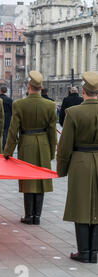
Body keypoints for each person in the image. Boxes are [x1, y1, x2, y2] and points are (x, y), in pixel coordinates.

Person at [3, 71, 57, 225]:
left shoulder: (19, 104)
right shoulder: (50, 105)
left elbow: (13, 131)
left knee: (28, 179)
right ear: (41, 87)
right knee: (40, 180)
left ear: (28, 86)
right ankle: (37, 216)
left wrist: (7, 152)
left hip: (26, 143)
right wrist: (51, 152)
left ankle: (28, 216)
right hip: (44, 144)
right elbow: (52, 132)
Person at [57, 71, 98, 263]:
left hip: (80, 162)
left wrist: (61, 170)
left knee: (81, 205)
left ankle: (83, 252)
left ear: (83, 91)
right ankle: (94, 252)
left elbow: (64, 146)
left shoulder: (73, 113)